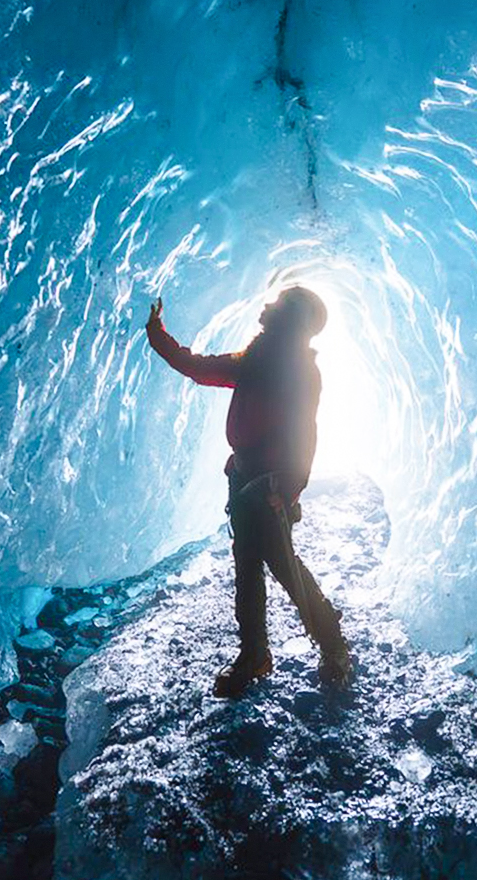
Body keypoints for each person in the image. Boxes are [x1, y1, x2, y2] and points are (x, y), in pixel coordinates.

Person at [146, 286, 352, 698]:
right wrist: (157, 333)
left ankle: (332, 646)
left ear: (292, 317)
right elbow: (198, 367)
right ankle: (255, 653)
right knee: (248, 570)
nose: (266, 306)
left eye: (277, 304)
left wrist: (291, 488)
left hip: (268, 486)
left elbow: (305, 433)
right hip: (244, 481)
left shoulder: (297, 370)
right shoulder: (257, 360)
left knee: (283, 568)